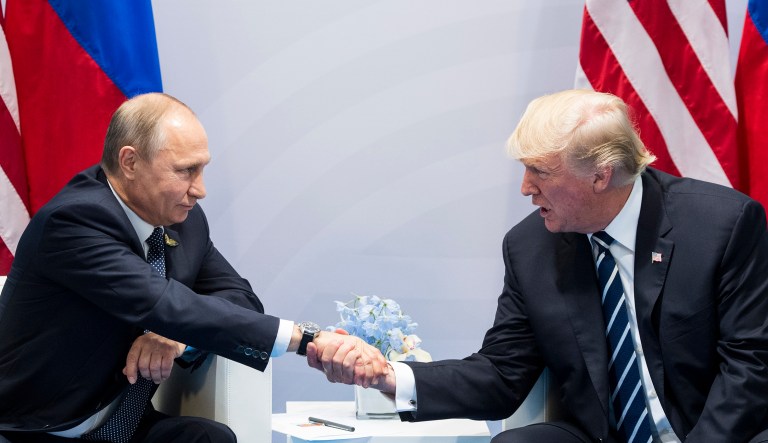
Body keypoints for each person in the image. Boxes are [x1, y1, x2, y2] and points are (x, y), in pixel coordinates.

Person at [311, 89, 768, 442]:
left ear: (601, 175)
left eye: (540, 172)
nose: (526, 188)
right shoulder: (531, 247)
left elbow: (750, 367)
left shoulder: (720, 226)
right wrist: (390, 378)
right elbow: (501, 374)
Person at [0, 93, 386, 443]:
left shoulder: (184, 220)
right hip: (41, 428)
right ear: (130, 161)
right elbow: (163, 305)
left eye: (202, 169)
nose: (200, 189)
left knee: (210, 439)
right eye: (185, 171)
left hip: (123, 422)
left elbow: (241, 300)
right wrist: (307, 339)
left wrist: (176, 338)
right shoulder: (74, 221)